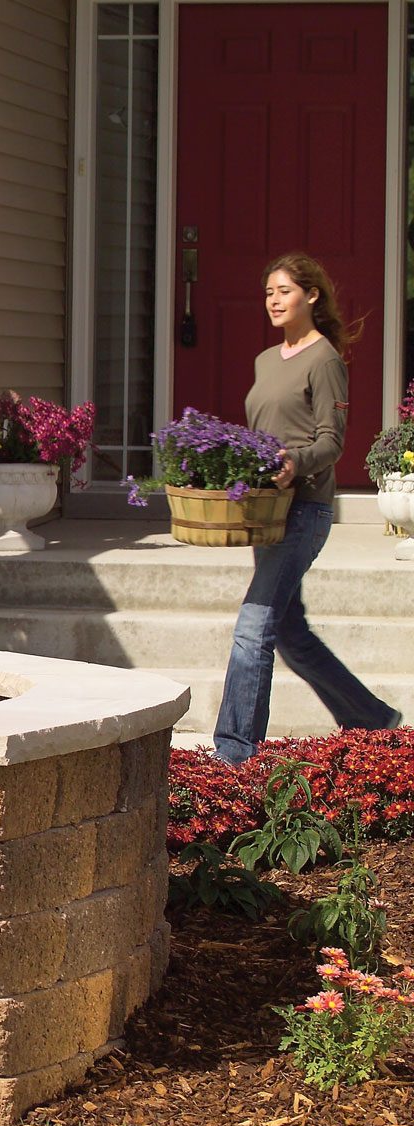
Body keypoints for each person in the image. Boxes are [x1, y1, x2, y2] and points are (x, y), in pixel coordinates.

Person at [212, 252, 402, 765]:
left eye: (284, 291)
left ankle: (234, 756)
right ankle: (372, 719)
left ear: (311, 296)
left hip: (305, 511)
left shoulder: (325, 360)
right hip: (267, 509)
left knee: (254, 627)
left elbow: (332, 442)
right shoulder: (266, 361)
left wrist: (294, 462)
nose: (273, 301)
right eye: (268, 292)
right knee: (289, 633)